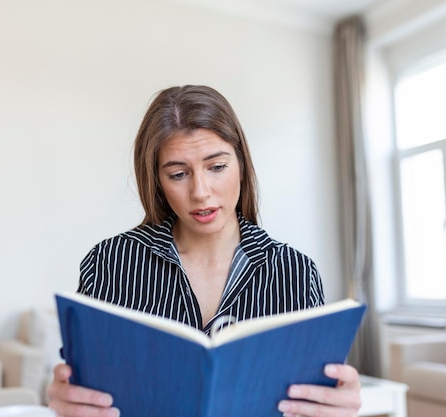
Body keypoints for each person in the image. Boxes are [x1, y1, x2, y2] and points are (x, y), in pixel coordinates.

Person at [47, 85, 362, 417]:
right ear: (156, 180)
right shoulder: (111, 263)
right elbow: (79, 387)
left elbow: (314, 398)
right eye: (179, 174)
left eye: (217, 167)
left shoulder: (294, 271)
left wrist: (336, 408)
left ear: (241, 163)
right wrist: (63, 403)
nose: (200, 192)